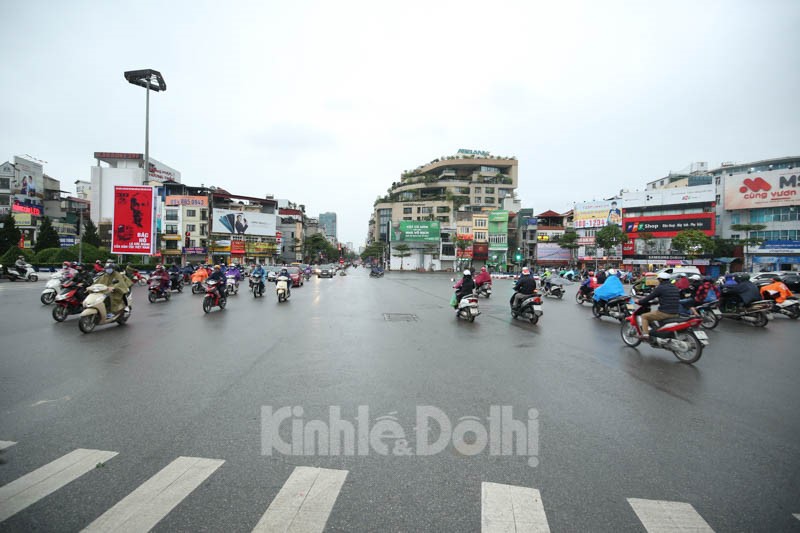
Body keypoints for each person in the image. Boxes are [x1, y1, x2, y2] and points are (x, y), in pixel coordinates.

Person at [636, 271, 680, 340]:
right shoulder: (674, 287)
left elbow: (649, 297)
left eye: (658, 279)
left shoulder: (660, 288)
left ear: (661, 279)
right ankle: (656, 332)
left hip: (665, 312)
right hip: (676, 312)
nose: (658, 281)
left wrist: (640, 301)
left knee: (644, 316)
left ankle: (645, 335)